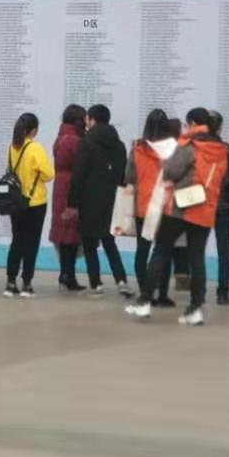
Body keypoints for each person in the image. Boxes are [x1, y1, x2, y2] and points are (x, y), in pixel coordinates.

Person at [125, 115, 228, 326]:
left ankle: (144, 301)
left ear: (194, 125)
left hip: (180, 207)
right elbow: (223, 180)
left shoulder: (189, 146)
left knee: (161, 251)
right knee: (197, 258)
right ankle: (195, 309)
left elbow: (171, 170)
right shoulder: (221, 150)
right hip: (205, 208)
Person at [70, 104, 132, 298]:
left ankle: (95, 284)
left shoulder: (87, 143)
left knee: (90, 244)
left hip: (89, 200)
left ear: (92, 120)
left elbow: (79, 175)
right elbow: (123, 176)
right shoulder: (119, 145)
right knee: (109, 242)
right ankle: (121, 281)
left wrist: (72, 202)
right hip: (112, 200)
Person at [124, 110, 178, 308]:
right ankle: (162, 293)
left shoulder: (137, 149)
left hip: (142, 206)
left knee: (142, 250)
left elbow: (129, 178)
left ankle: (145, 290)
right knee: (163, 252)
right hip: (164, 207)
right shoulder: (172, 150)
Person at [3, 113, 54, 297]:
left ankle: (10, 282)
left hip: (15, 202)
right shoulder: (36, 148)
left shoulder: (12, 147)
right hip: (35, 202)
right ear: (33, 131)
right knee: (32, 243)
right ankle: (26, 283)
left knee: (17, 241)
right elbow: (49, 174)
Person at [203, 110, 229, 306]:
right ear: (220, 127)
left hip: (201, 205)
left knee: (197, 250)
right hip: (224, 206)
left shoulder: (197, 148)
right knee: (224, 251)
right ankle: (223, 293)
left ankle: (198, 292)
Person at [49, 104, 87, 292]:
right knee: (72, 235)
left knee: (63, 234)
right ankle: (69, 275)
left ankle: (64, 273)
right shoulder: (77, 141)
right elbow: (81, 166)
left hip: (59, 186)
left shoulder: (60, 138)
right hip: (72, 187)